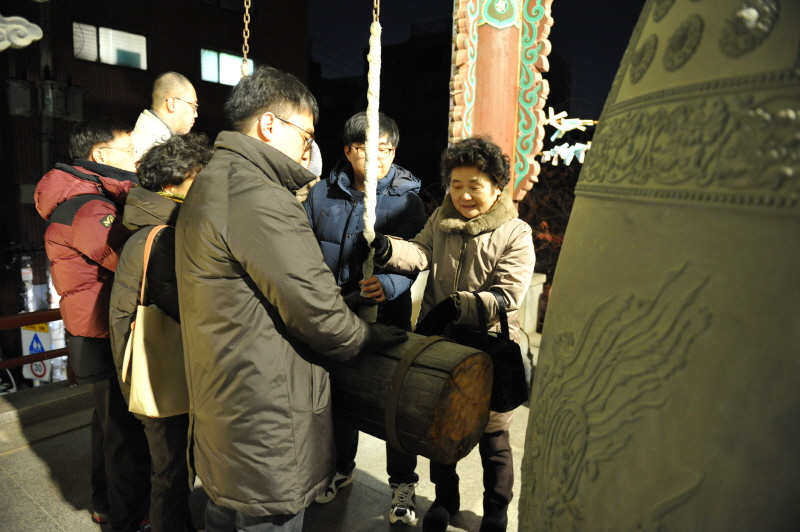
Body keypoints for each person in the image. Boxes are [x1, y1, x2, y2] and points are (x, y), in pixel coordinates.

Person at [175, 65, 408, 532]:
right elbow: (317, 312)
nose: (307, 147)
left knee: (225, 506)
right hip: (267, 409)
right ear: (268, 124)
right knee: (267, 515)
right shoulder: (259, 195)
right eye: (305, 135)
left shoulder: (213, 179)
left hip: (225, 393)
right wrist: (365, 336)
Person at [360, 137, 535, 532]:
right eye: (456, 185)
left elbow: (507, 296)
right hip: (442, 345)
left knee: (493, 438)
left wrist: (459, 305)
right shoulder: (441, 218)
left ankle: (496, 510)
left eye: (475, 185)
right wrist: (388, 249)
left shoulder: (515, 232)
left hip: (490, 349)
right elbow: (420, 252)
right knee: (442, 428)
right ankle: (445, 500)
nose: (464, 195)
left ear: (497, 186)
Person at [304, 111, 427, 524]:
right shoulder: (322, 195)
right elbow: (304, 247)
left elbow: (417, 256)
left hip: (386, 313)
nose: (378, 157)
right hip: (336, 312)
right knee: (340, 395)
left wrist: (388, 284)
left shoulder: (408, 200)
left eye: (386, 149)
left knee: (395, 400)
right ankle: (340, 468)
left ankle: (403, 483)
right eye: (366, 149)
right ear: (347, 151)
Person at [34, 118, 152, 532]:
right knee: (124, 430)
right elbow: (130, 260)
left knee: (107, 426)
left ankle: (106, 503)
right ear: (101, 155)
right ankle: (130, 517)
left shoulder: (84, 199)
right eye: (130, 151)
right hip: (105, 331)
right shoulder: (90, 208)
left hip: (91, 328)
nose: (137, 159)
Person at [109, 134, 213, 532]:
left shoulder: (147, 227)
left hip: (144, 367)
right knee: (171, 472)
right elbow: (187, 309)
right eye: (197, 180)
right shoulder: (164, 236)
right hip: (159, 373)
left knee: (169, 467)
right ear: (171, 186)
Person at [131, 72, 198, 160]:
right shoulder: (150, 150)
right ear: (172, 104)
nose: (196, 114)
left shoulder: (150, 140)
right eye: (194, 105)